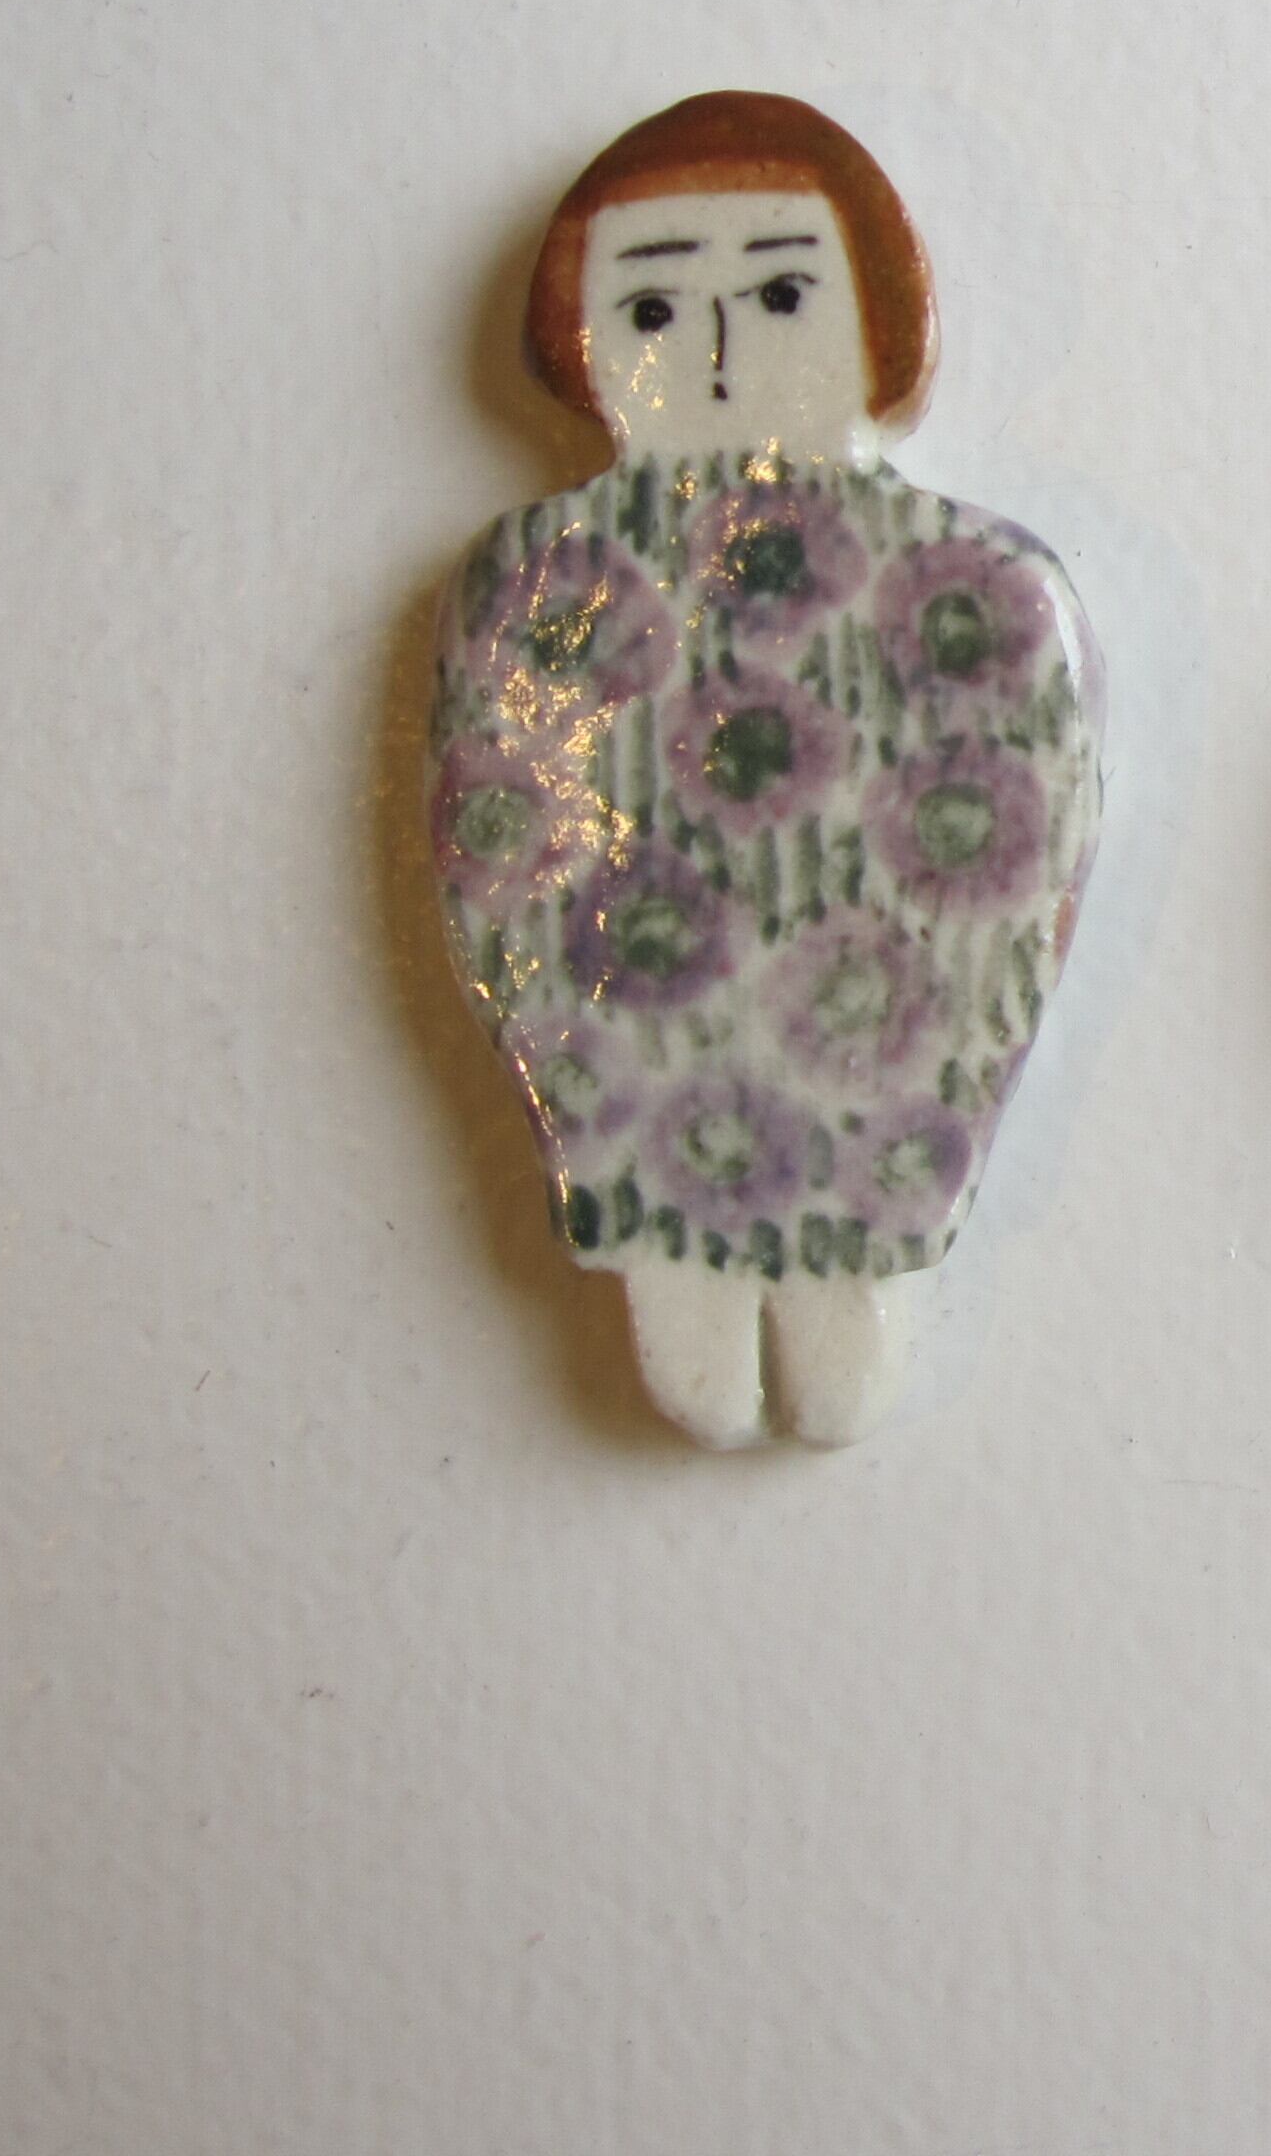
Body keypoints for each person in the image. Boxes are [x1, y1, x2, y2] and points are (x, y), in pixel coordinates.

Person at [426, 93, 1101, 1447]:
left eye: (783, 294)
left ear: (875, 320)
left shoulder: (976, 583)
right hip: (631, 1048)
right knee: (685, 1318)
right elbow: (494, 850)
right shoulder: (540, 583)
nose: (722, 346)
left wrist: (935, 1106)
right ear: (581, 336)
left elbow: (1019, 864)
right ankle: (681, 1288)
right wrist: (578, 1089)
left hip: (885, 1048)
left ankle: (852, 1286)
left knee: (843, 1321)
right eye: (656, 309)